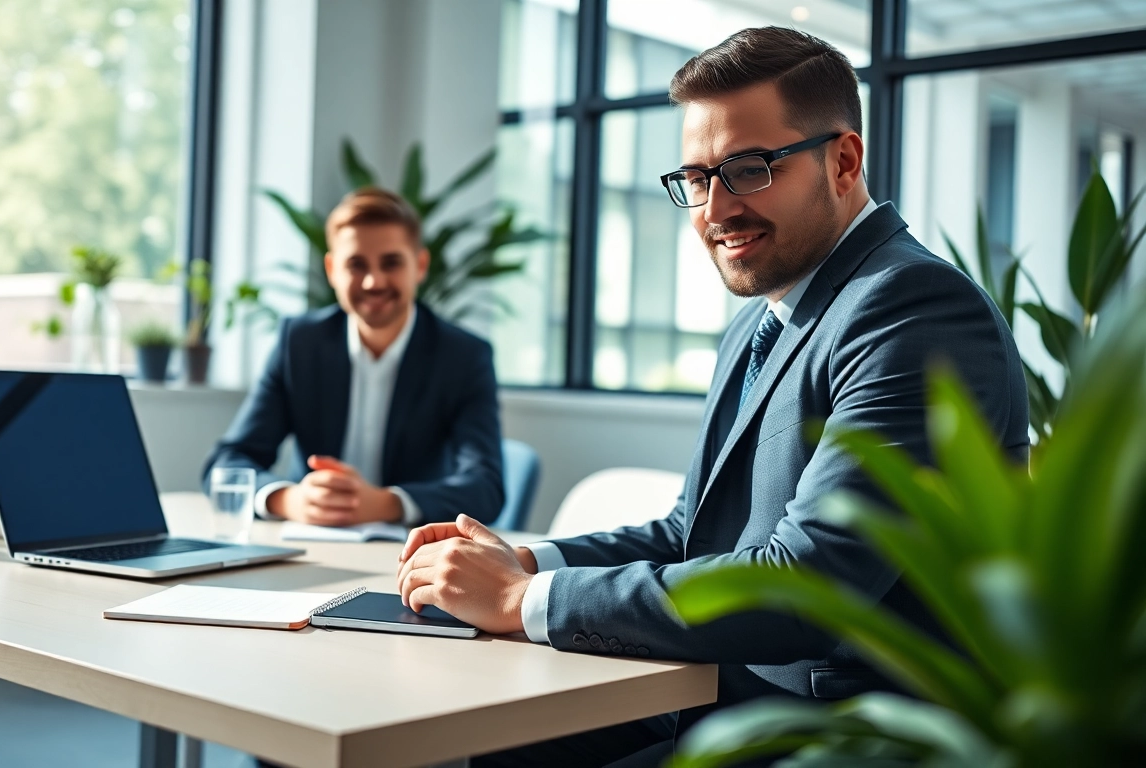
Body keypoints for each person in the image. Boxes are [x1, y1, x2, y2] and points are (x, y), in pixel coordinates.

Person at [395, 26, 1028, 766]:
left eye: (749, 169)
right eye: (698, 178)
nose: (715, 210)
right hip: (720, 695)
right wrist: (528, 565)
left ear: (844, 161)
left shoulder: (911, 307)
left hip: (838, 735)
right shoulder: (762, 320)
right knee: (500, 743)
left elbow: (811, 582)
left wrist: (521, 603)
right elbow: (689, 532)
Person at [203, 187, 504, 527]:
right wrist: (289, 499)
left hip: (412, 554)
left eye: (391, 263)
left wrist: (387, 503)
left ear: (419, 266)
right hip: (310, 547)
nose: (374, 282)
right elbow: (227, 463)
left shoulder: (463, 356)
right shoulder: (299, 344)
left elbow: (485, 488)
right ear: (332, 270)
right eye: (356, 265)